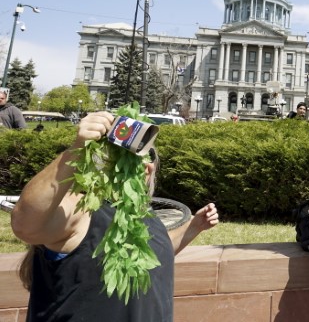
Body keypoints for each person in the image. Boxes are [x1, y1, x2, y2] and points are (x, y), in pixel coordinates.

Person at [11, 111, 219, 320]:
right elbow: (25, 223)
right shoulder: (84, 208)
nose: (149, 166)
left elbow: (148, 256)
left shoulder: (142, 213)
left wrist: (194, 227)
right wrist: (77, 148)